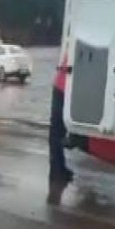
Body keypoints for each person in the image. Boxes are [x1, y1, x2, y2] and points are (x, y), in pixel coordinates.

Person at [48, 53, 74, 184]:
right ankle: (56, 171)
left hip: (63, 86)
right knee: (57, 132)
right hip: (62, 88)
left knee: (58, 132)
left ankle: (59, 169)